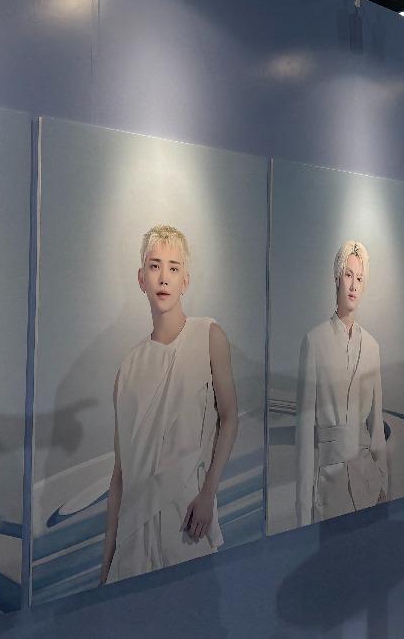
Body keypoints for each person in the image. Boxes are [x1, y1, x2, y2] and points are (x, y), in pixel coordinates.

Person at [99, 225, 239, 584]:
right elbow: (120, 475)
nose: (163, 277)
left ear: (185, 280)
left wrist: (208, 494)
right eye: (155, 266)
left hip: (187, 521)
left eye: (173, 268)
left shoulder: (208, 336)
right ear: (141, 278)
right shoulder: (128, 368)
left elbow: (229, 418)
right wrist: (106, 566)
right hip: (132, 538)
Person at [295, 240, 387, 526]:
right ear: (337, 278)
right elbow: (304, 436)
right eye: (348, 275)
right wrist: (303, 513)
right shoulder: (314, 342)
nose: (354, 285)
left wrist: (383, 485)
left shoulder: (372, 347)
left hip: (368, 484)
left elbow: (377, 428)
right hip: (329, 489)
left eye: (360, 278)